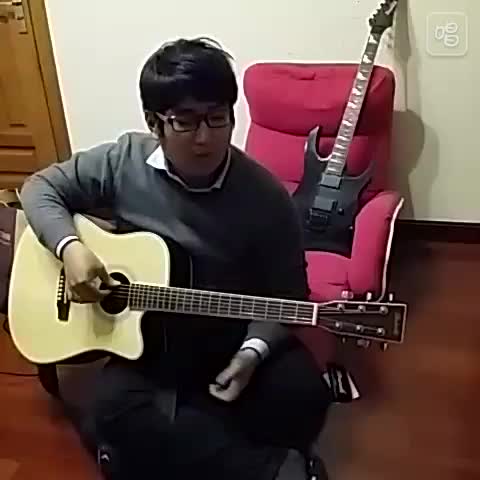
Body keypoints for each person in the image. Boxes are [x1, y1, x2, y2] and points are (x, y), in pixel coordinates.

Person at [20, 37, 332, 480]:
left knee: (303, 395)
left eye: (217, 118)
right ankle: (269, 469)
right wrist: (71, 249)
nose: (205, 138)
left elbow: (288, 293)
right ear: (154, 122)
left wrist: (250, 355)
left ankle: (178, 444)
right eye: (184, 122)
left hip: (226, 333)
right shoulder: (123, 160)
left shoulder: (265, 196)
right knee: (112, 409)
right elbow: (40, 188)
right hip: (148, 343)